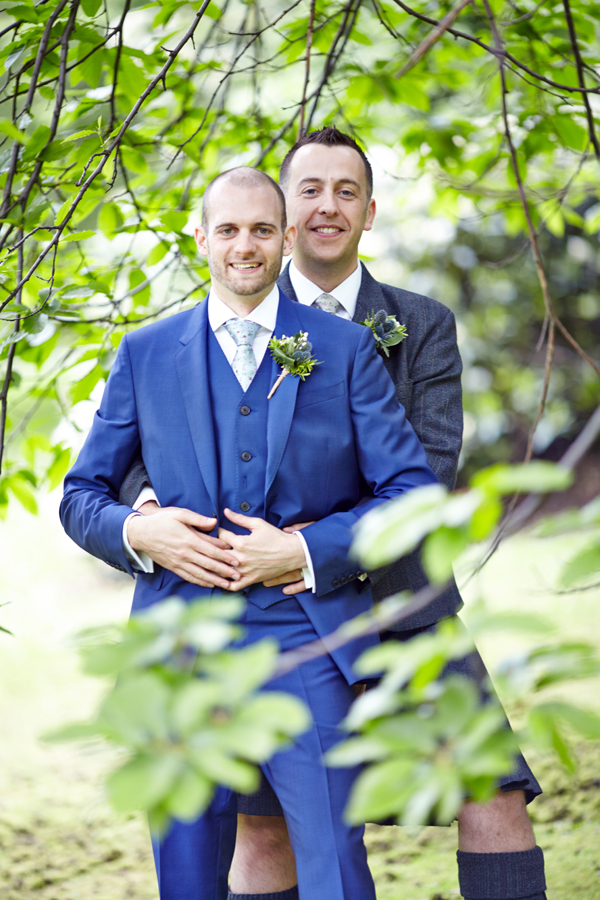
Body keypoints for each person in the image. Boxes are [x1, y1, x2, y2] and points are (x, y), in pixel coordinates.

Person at [121, 127, 546, 900]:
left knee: (489, 786)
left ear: (370, 211)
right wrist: (145, 505)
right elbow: (162, 451)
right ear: (286, 213)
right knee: (265, 817)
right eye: (309, 189)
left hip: (400, 602)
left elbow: (429, 470)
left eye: (345, 190)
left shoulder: (416, 323)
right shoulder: (213, 323)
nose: (326, 206)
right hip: (266, 610)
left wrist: (308, 549)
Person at [60, 166, 439, 900]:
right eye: (228, 230)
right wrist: (144, 534)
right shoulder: (144, 352)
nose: (245, 246)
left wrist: (304, 549)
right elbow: (81, 495)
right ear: (200, 237)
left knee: (335, 863)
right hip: (179, 651)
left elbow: (412, 493)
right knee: (189, 874)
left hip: (308, 640)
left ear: (288, 237)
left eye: (262, 230)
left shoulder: (346, 347)